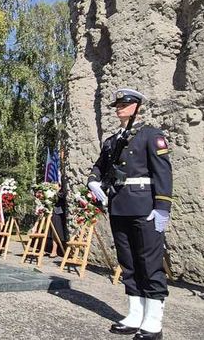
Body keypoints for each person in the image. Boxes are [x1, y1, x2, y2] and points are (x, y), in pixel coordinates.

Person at [87, 89, 173, 340]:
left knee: (149, 262)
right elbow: (99, 166)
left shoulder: (150, 135)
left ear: (137, 106)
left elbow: (163, 174)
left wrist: (162, 208)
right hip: (119, 206)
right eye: (117, 104)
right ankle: (136, 314)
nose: (118, 108)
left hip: (145, 207)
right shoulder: (113, 141)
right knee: (128, 262)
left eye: (124, 104)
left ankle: (153, 320)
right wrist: (93, 182)